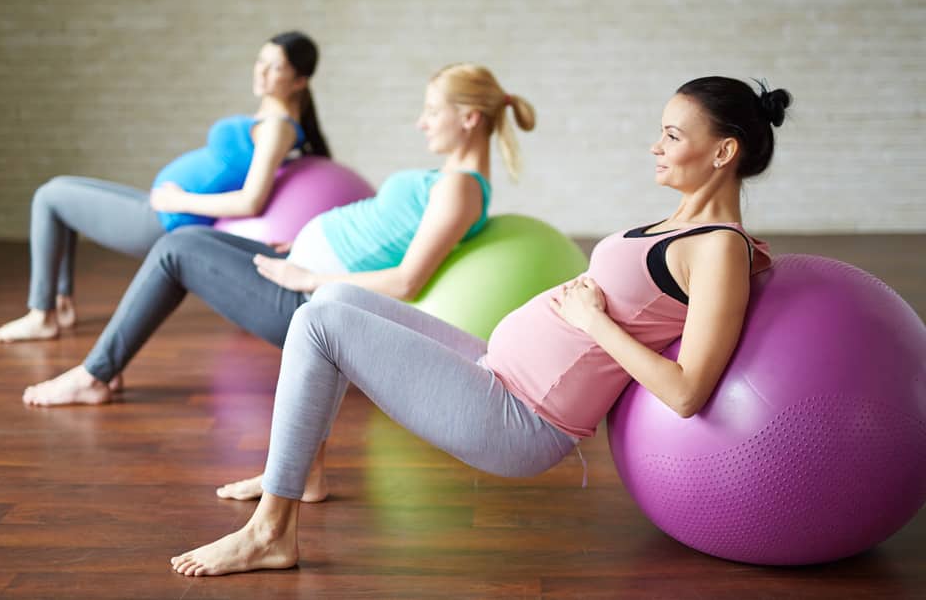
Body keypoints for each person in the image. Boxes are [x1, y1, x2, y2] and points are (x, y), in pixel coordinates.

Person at [167, 76, 792, 577]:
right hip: (496, 367)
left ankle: (271, 533)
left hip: (522, 418)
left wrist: (591, 320)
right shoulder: (678, 224)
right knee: (332, 302)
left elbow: (687, 391)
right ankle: (301, 472)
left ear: (723, 151)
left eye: (673, 134)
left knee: (320, 324)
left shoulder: (718, 249)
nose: (656, 145)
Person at [19, 63, 537, 409]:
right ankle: (99, 370)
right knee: (187, 244)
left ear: (469, 118)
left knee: (175, 247)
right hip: (298, 266)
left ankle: (95, 375)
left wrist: (308, 275)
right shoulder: (451, 182)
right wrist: (304, 253)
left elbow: (406, 281)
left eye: (431, 111)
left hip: (304, 298)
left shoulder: (460, 190)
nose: (420, 122)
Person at [0, 31, 330, 343]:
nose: (261, 72)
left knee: (49, 197)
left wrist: (181, 200)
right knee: (58, 189)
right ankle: (59, 305)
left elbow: (250, 202)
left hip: (169, 220)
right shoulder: (271, 118)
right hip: (164, 208)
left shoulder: (277, 128)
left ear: (299, 80)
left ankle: (41, 315)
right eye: (260, 61)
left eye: (275, 67)